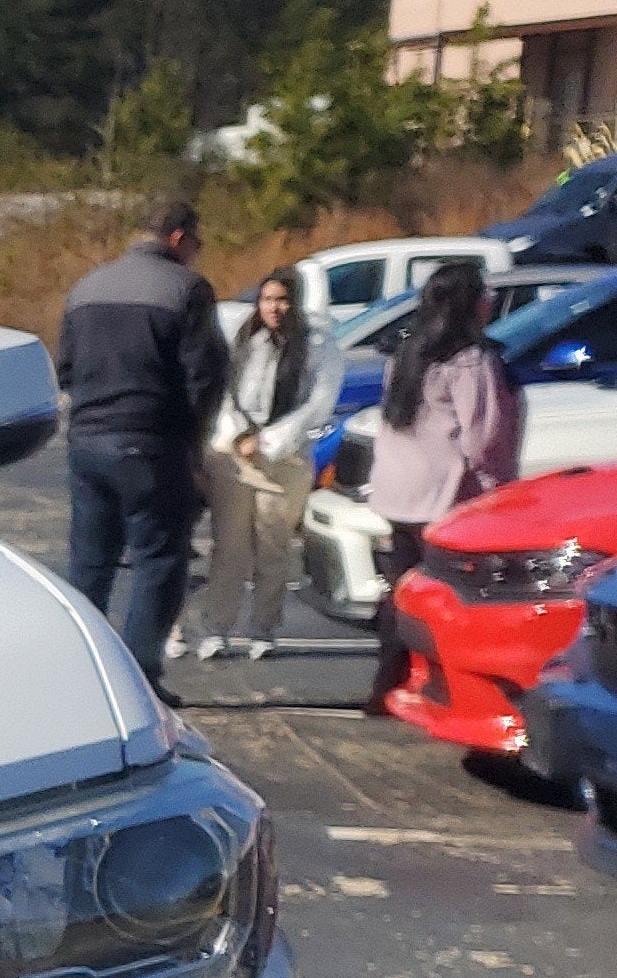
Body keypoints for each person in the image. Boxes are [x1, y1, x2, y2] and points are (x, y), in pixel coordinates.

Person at [54, 195, 229, 680]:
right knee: (159, 561)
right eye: (197, 241)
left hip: (87, 442)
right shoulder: (186, 288)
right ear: (178, 238)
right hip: (151, 443)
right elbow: (206, 376)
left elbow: (65, 368)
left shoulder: (87, 286)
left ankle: (82, 676)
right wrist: (194, 445)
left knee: (90, 564)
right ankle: (138, 679)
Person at [360, 256, 523, 714]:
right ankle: (448, 687)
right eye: (484, 294)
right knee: (453, 597)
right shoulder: (471, 361)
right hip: (445, 497)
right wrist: (497, 490)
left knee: (403, 589)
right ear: (469, 304)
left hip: (399, 493)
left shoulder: (408, 352)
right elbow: (482, 436)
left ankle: (385, 684)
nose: (490, 302)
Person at [198, 269, 343, 659]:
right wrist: (236, 434)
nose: (274, 308)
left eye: (282, 300)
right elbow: (224, 391)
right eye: (267, 299)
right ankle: (217, 626)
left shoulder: (316, 345)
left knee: (273, 547)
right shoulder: (244, 338)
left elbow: (317, 404)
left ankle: (263, 627)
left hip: (284, 460)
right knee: (229, 546)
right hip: (234, 458)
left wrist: (268, 441)